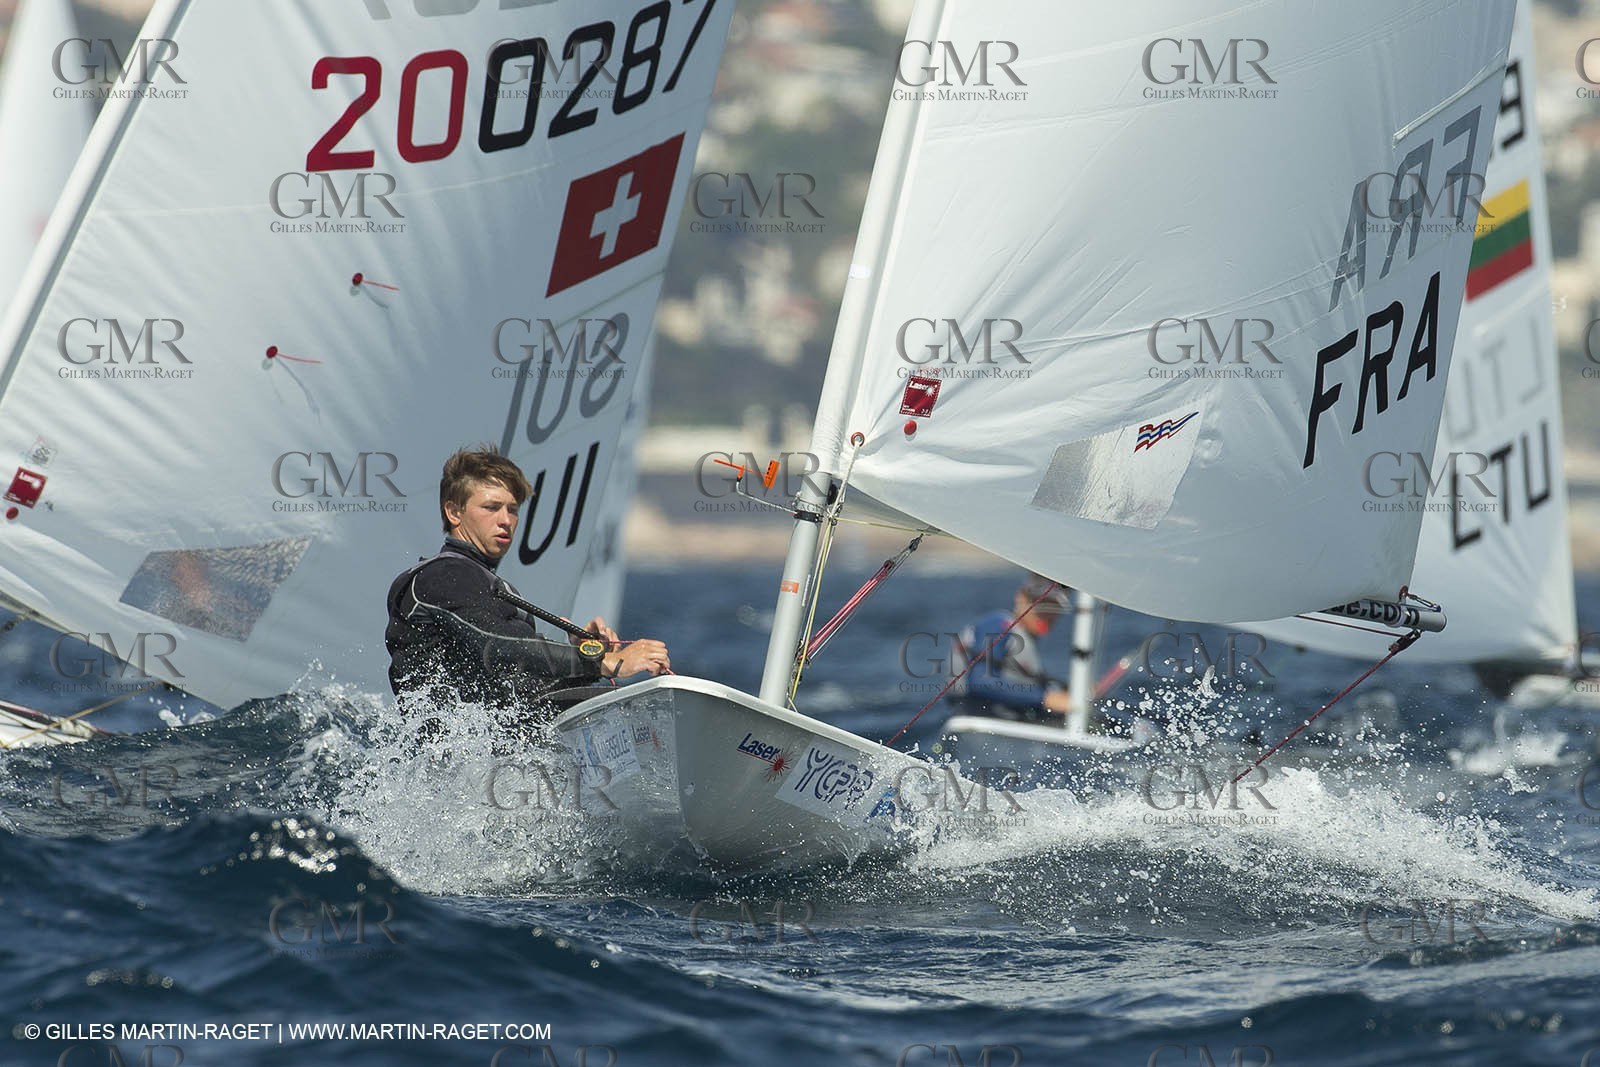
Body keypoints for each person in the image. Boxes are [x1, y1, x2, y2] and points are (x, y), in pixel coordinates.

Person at [385, 447, 670, 717]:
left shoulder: (483, 583)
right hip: (450, 760)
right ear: (454, 512)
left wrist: (586, 660)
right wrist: (604, 662)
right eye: (491, 507)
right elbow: (500, 647)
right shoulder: (442, 576)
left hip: (493, 752)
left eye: (512, 509)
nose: (505, 520)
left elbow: (516, 684)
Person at [948, 574, 1073, 721]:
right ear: (1021, 598)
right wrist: (1045, 698)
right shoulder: (999, 624)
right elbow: (980, 681)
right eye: (1041, 604)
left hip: (1010, 718)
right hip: (980, 719)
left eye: (1054, 607)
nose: (1047, 614)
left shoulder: (1024, 638)